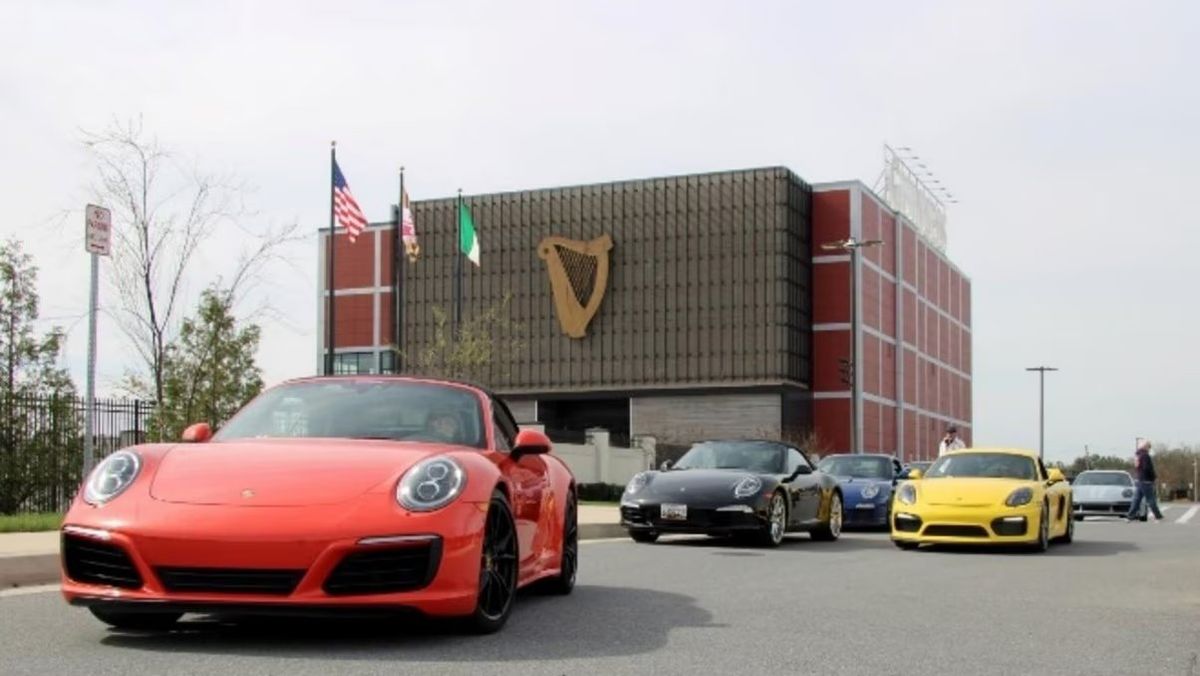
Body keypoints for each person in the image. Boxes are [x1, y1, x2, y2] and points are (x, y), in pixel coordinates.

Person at [1126, 439, 1164, 522]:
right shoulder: (1145, 456)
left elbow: (1137, 467)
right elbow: (1147, 468)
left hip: (1139, 479)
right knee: (1151, 499)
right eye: (1149, 447)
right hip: (1146, 480)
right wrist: (1153, 477)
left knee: (1136, 499)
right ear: (1146, 446)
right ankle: (1158, 516)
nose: (1149, 449)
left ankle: (1130, 516)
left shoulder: (1137, 455)